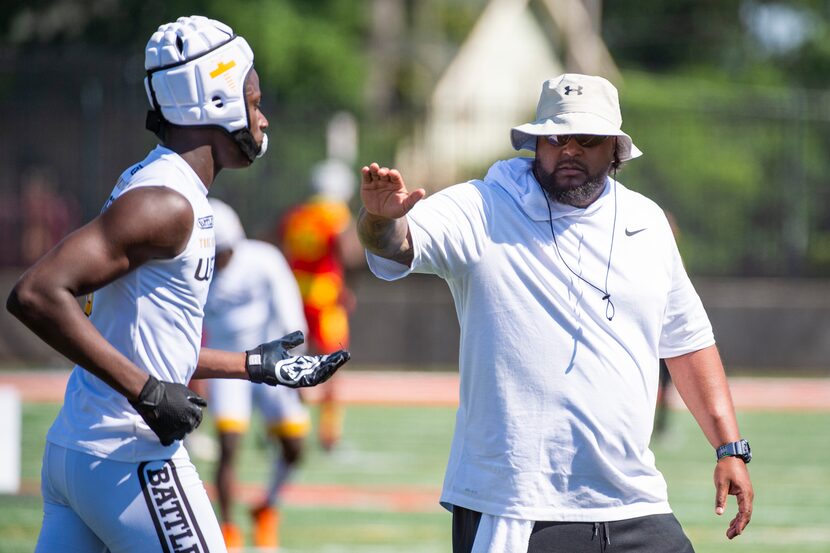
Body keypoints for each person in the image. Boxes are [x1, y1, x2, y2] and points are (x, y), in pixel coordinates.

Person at [357, 74, 753, 553]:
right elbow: (399, 247)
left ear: (615, 150)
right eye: (554, 138)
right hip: (516, 508)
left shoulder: (646, 221)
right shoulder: (483, 205)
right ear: (536, 144)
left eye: (586, 139)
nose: (568, 149)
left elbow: (687, 341)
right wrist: (381, 220)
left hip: (634, 502)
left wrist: (729, 447)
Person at [6, 16, 348, 553]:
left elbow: (145, 344)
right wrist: (145, 393)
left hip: (82, 450)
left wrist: (254, 366)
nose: (261, 118)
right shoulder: (167, 201)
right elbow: (35, 293)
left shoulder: (169, 190)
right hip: (128, 458)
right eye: (252, 100)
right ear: (215, 101)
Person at [203, 198, 311, 551]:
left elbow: (290, 312)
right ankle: (229, 530)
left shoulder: (263, 260)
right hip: (227, 366)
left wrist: (299, 367)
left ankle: (267, 507)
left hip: (271, 363)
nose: (220, 259)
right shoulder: (194, 271)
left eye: (224, 250)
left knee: (294, 447)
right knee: (229, 446)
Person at [279, 158, 363, 450]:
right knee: (333, 364)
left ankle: (285, 425)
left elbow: (280, 245)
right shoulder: (335, 214)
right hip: (326, 301)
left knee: (289, 363)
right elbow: (348, 253)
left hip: (295, 298)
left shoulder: (298, 214)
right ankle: (329, 436)